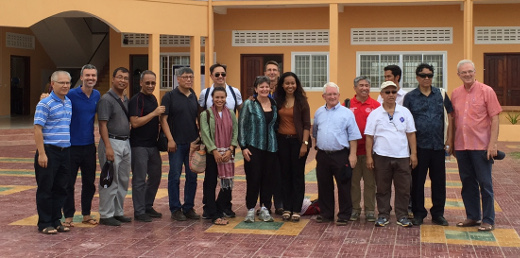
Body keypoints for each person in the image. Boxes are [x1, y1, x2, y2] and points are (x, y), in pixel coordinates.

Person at [452, 60, 502, 232]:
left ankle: (488, 219)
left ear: (475, 72)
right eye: (463, 72)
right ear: (458, 75)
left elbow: (495, 117)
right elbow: (453, 120)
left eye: (470, 71)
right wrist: (451, 144)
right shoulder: (455, 93)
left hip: (481, 146)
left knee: (485, 184)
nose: (467, 75)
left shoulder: (487, 91)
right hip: (461, 146)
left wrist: (493, 143)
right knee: (467, 183)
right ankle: (473, 216)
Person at [403, 63, 453, 226]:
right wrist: (411, 151)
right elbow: (406, 122)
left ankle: (438, 214)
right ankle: (418, 213)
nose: (426, 78)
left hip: (438, 146)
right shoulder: (410, 97)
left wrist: (449, 140)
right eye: (423, 75)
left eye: (430, 75)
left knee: (439, 182)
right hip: (418, 147)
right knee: (417, 182)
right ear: (417, 77)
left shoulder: (441, 94)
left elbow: (450, 117)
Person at [365, 81, 417, 227]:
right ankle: (383, 214)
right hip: (381, 156)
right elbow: (369, 136)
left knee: (404, 188)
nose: (390, 95)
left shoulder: (405, 112)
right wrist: (369, 157)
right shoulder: (375, 114)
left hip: (402, 156)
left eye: (393, 92)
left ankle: (402, 215)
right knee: (382, 188)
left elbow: (411, 134)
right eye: (387, 92)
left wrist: (414, 154)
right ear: (381, 94)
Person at [312, 82, 361, 225]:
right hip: (323, 155)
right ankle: (326, 214)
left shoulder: (347, 113)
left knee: (344, 186)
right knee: (324, 185)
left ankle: (344, 215)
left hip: (341, 155)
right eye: (329, 94)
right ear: (324, 96)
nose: (332, 97)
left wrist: (352, 155)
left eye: (334, 94)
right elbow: (315, 132)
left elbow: (353, 136)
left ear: (339, 96)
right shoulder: (318, 112)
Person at [34, 71, 72, 234]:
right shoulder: (45, 103)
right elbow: (37, 128)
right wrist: (42, 153)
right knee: (46, 188)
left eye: (67, 83)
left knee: (61, 188)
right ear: (52, 84)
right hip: (49, 151)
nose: (65, 86)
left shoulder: (68, 102)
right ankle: (44, 222)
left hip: (65, 151)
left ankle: (56, 220)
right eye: (61, 83)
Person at [62, 64, 101, 227]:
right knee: (68, 183)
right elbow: (56, 100)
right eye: (87, 75)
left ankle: (86, 214)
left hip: (89, 146)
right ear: (81, 77)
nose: (90, 78)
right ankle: (69, 215)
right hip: (71, 146)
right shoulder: (71, 94)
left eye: (93, 75)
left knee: (89, 182)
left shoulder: (97, 95)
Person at [161, 67, 201, 221]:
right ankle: (175, 208)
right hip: (176, 144)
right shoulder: (169, 96)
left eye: (191, 77)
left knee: (192, 177)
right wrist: (170, 139)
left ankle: (188, 207)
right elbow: (163, 119)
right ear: (178, 79)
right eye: (185, 77)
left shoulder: (193, 96)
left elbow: (197, 118)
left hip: (192, 143)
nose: (189, 80)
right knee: (175, 176)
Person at [238, 75, 278, 223]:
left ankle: (265, 208)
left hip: (271, 148)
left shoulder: (274, 103)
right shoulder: (249, 104)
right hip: (253, 147)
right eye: (261, 86)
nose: (264, 89)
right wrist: (243, 147)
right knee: (253, 178)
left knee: (268, 179)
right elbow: (242, 126)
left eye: (267, 86)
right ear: (256, 89)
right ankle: (250, 209)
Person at [97, 67, 132, 226]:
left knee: (123, 179)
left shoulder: (126, 99)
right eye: (119, 77)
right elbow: (102, 125)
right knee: (109, 180)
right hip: (111, 142)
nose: (122, 80)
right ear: (113, 79)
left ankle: (118, 212)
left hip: (125, 142)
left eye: (125, 78)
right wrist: (108, 147)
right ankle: (106, 214)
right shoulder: (106, 99)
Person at [128, 70, 165, 222]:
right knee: (139, 179)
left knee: (156, 176)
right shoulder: (136, 100)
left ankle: (148, 205)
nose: (150, 86)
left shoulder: (154, 98)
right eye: (147, 83)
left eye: (153, 83)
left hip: (152, 145)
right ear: (141, 83)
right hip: (139, 146)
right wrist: (154, 113)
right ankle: (139, 211)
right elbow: (135, 122)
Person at [274, 72, 311, 222]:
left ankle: (296, 209)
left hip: (298, 142)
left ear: (297, 85)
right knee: (284, 176)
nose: (290, 86)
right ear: (282, 85)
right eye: (287, 83)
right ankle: (287, 208)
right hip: (282, 142)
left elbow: (307, 125)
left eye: (293, 83)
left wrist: (305, 143)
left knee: (297, 176)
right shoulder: (277, 100)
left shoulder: (302, 101)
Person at [200, 87, 238, 225]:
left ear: (226, 98)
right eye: (217, 97)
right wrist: (214, 151)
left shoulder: (231, 113)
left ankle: (219, 209)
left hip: (228, 153)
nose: (219, 100)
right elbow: (205, 134)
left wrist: (231, 148)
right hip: (212, 154)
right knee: (210, 183)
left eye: (222, 97)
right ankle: (213, 214)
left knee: (226, 184)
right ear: (212, 98)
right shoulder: (206, 114)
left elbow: (235, 131)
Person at [348, 76, 380, 222]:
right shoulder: (347, 105)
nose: (364, 88)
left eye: (367, 85)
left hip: (370, 153)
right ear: (355, 88)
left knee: (370, 183)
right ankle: (355, 209)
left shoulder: (376, 105)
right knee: (353, 182)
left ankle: (370, 210)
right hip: (352, 152)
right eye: (361, 85)